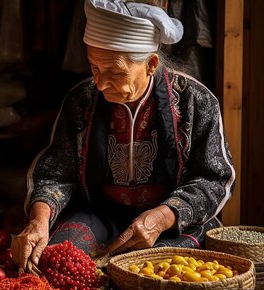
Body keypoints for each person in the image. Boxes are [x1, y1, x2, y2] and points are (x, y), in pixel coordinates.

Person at [12, 0, 235, 272]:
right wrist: (38, 222)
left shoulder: (195, 101)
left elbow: (215, 179)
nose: (100, 83)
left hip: (169, 223)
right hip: (101, 214)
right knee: (59, 262)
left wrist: (163, 217)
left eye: (115, 72)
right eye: (94, 67)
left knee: (158, 271)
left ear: (151, 64)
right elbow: (55, 173)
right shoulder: (82, 99)